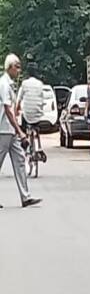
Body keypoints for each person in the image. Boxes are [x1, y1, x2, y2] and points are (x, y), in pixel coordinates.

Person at [0, 54, 41, 209]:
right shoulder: (4, 84)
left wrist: (17, 131)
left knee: (20, 161)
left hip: (11, 131)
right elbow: (8, 110)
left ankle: (25, 197)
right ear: (9, 67)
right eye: (17, 66)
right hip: (3, 130)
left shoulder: (10, 84)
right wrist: (20, 130)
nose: (19, 70)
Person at [16, 61, 44, 131]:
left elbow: (19, 99)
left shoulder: (24, 83)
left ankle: (24, 137)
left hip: (26, 116)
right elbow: (42, 99)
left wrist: (17, 109)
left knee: (23, 129)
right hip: (38, 116)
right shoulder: (40, 84)